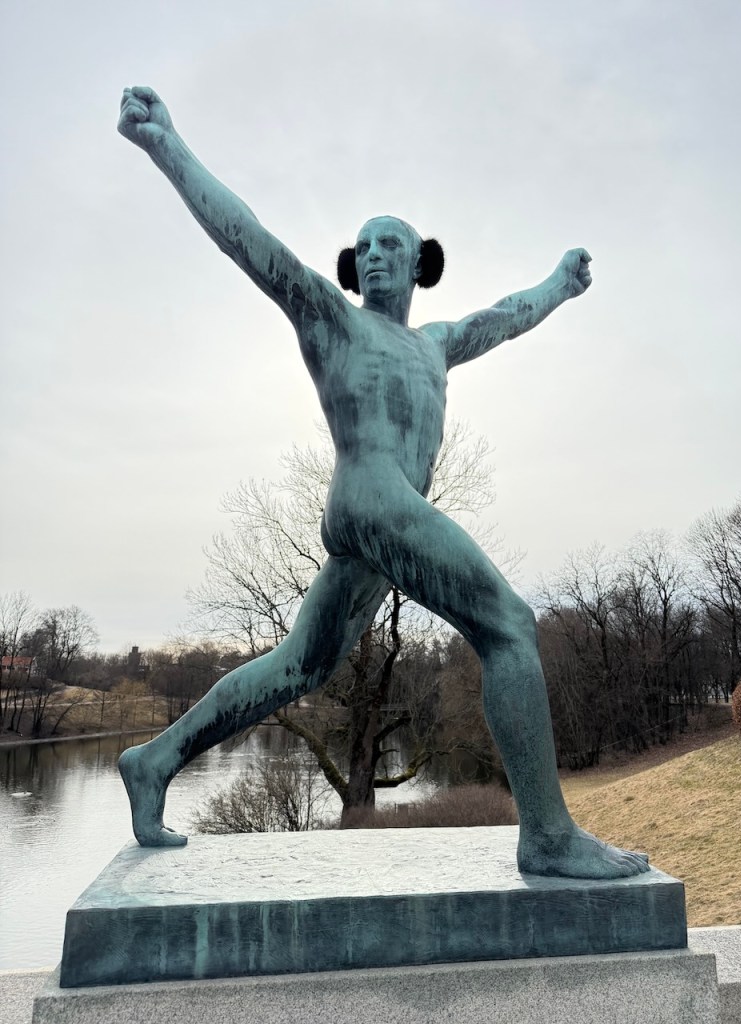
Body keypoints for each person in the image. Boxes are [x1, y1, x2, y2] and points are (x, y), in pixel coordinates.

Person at [117, 86, 649, 879]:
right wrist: (167, 146)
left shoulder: (434, 345)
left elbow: (506, 314)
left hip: (381, 522)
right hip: (369, 495)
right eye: (363, 246)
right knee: (508, 624)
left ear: (419, 263)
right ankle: (547, 835)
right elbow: (248, 239)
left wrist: (559, 286)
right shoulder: (332, 320)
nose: (372, 255)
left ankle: (155, 760)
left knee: (303, 665)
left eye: (389, 245)